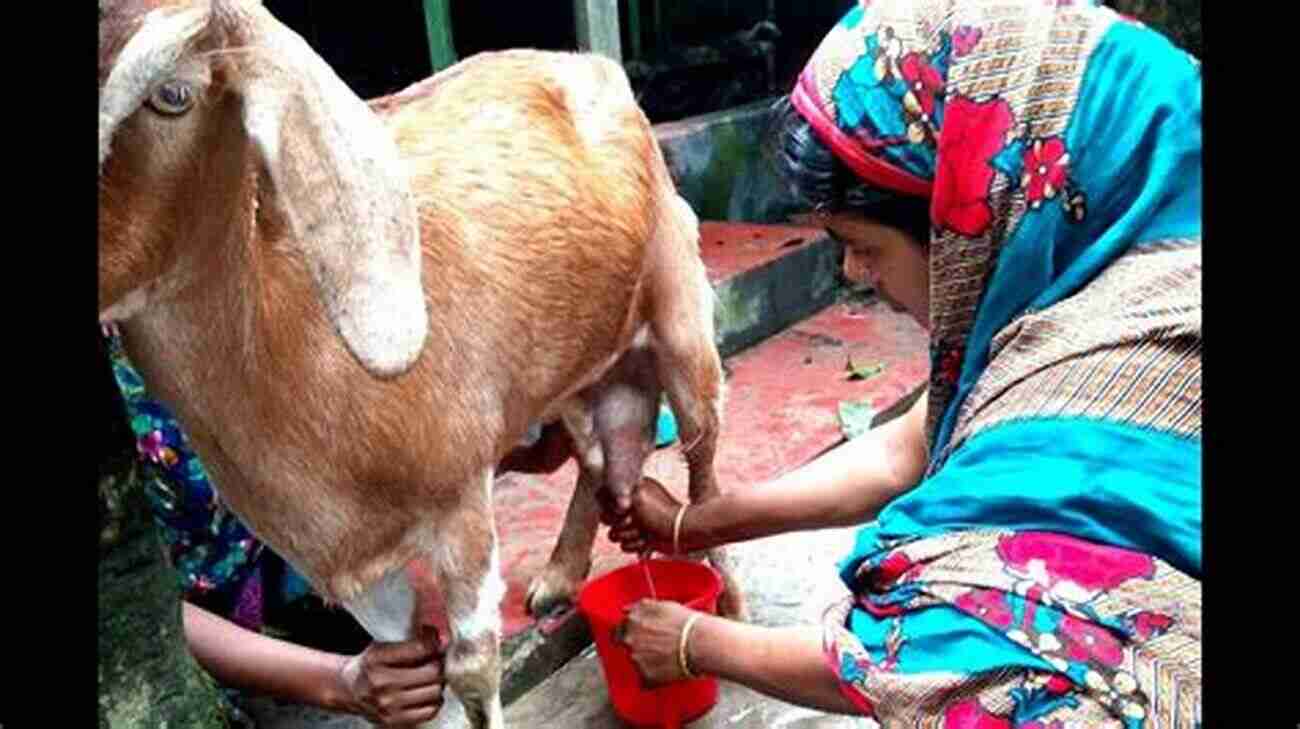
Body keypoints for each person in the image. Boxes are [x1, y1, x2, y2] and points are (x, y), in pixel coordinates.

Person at [605, 1, 1201, 726]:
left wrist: (699, 640)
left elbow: (955, 654)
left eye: (863, 242)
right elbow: (912, 445)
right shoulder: (1121, 258)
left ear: (962, 215)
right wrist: (693, 527)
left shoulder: (1114, 395)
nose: (856, 271)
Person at [103, 324, 448, 728]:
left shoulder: (194, 300)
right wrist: (337, 681)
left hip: (273, 576)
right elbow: (130, 609)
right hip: (183, 659)